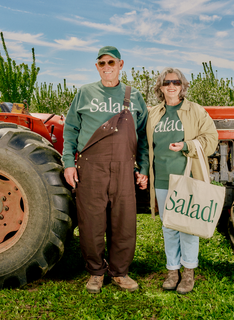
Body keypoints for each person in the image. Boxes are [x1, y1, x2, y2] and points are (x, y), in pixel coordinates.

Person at [62, 46, 149, 294]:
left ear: (121, 65)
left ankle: (120, 273)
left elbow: (142, 136)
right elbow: (70, 131)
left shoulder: (135, 96)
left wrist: (142, 167)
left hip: (124, 168)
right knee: (91, 222)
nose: (107, 67)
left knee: (124, 222)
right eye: (102, 63)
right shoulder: (84, 93)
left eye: (111, 62)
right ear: (97, 66)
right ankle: (96, 272)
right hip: (91, 167)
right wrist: (69, 162)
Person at [146, 67, 218, 294]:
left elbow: (211, 139)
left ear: (182, 86)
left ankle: (188, 273)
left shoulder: (195, 111)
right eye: (167, 83)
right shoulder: (154, 113)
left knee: (187, 227)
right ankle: (172, 271)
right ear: (160, 87)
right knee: (169, 227)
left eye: (176, 82)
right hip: (162, 179)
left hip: (186, 178)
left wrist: (187, 146)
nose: (171, 86)